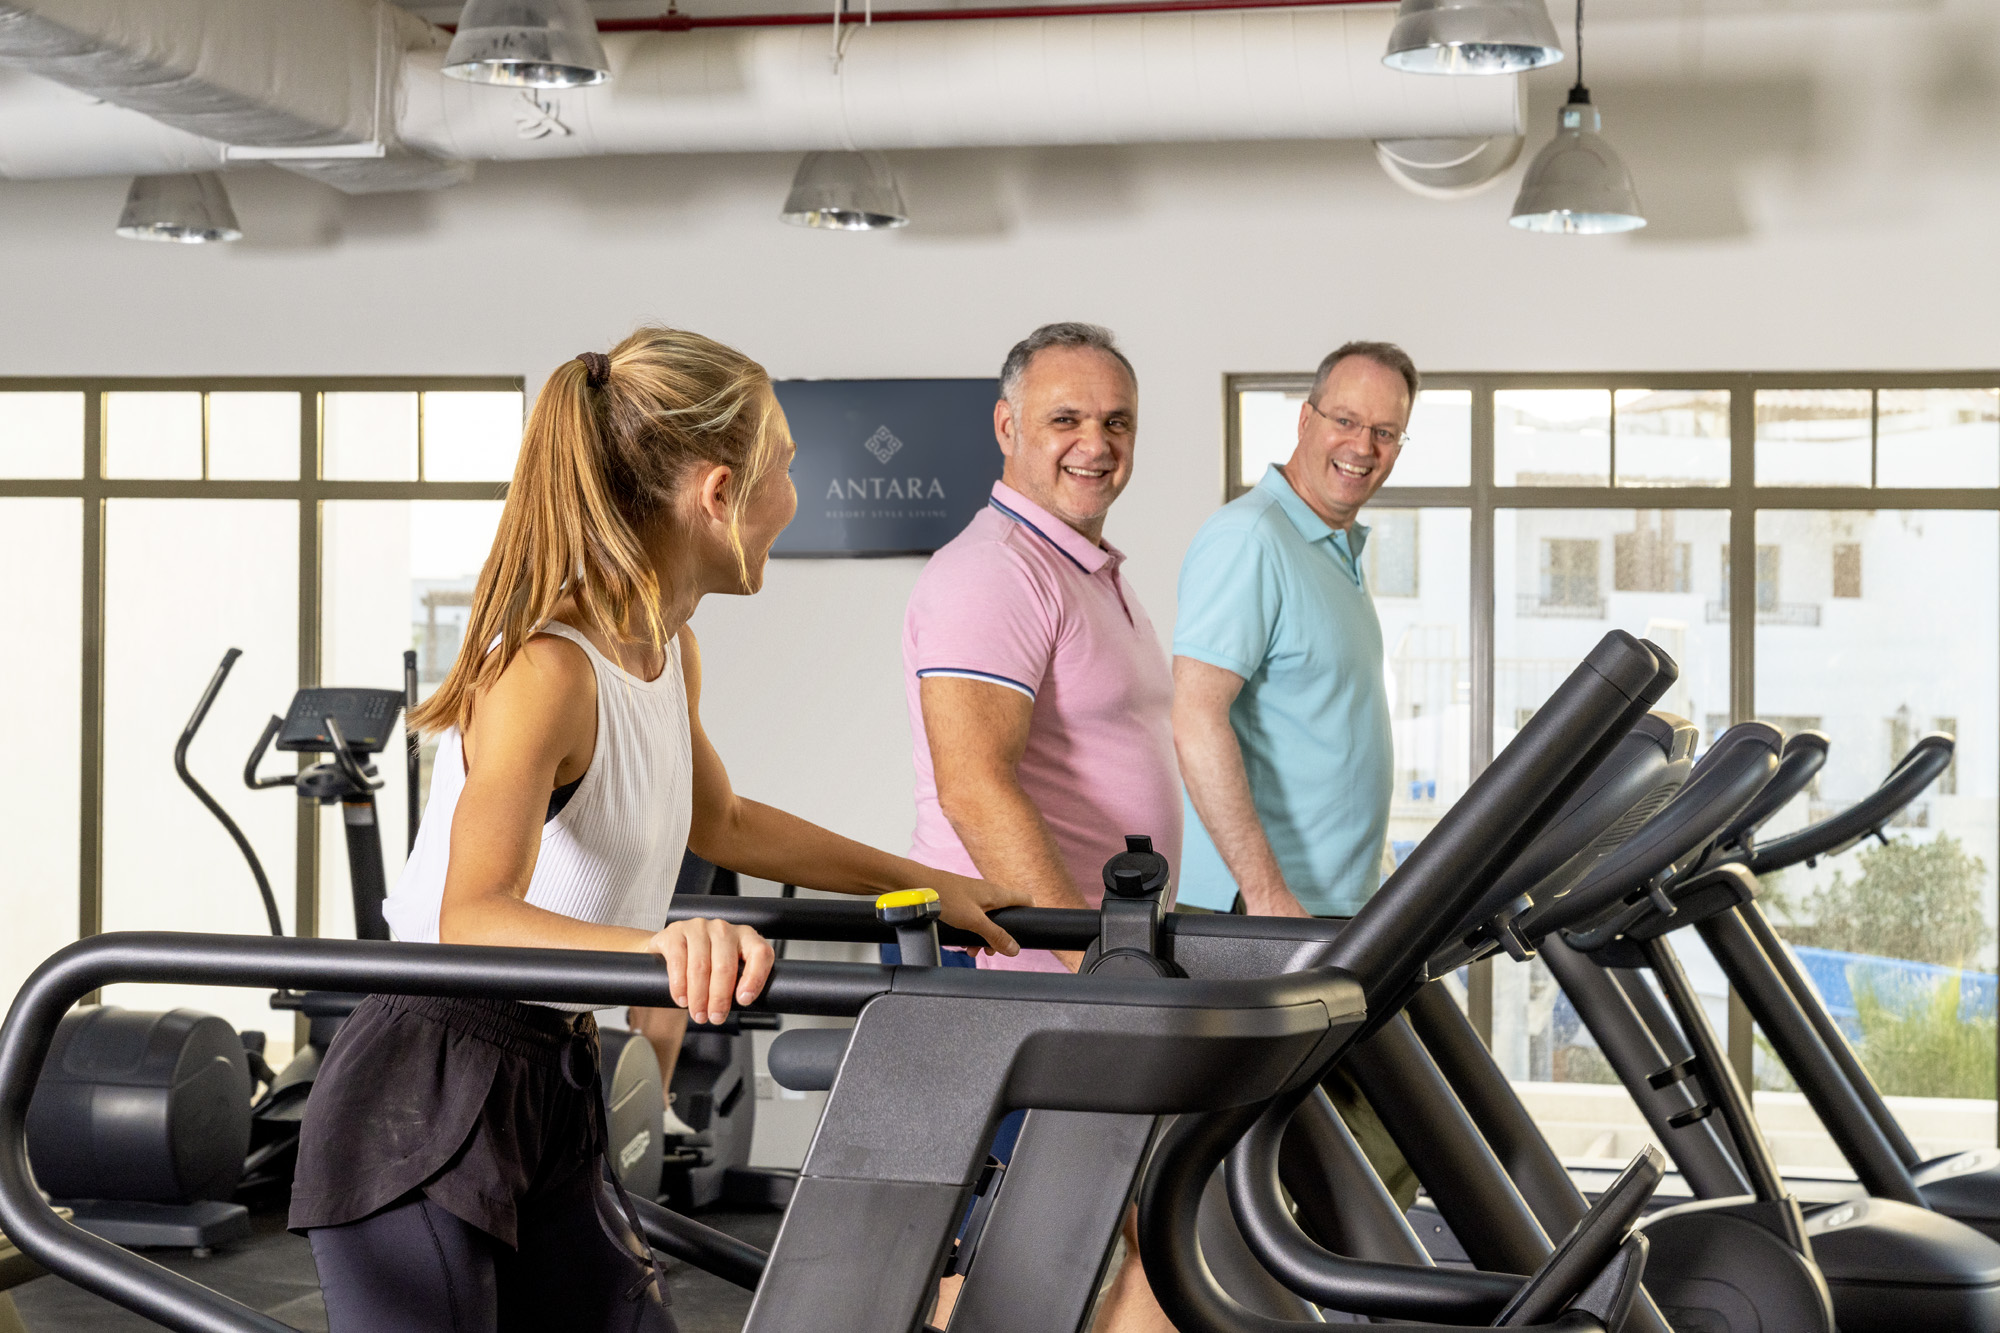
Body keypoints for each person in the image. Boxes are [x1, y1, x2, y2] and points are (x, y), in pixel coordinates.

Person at [288, 328, 1025, 1333]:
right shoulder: (546, 671)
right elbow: (472, 913)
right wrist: (661, 945)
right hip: (428, 1089)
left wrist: (924, 882)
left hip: (551, 1073)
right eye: (786, 472)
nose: (792, 501)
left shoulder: (667, 647)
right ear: (719, 494)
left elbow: (722, 820)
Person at [902, 322, 1179, 1330]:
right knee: (1001, 1272)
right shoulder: (996, 571)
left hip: (1088, 976)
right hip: (1023, 980)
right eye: (1064, 418)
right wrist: (1096, 967)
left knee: (1160, 1236)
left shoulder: (1088, 570)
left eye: (1115, 421)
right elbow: (974, 787)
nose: (1093, 442)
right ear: (1007, 426)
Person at [1171, 339, 1420, 1206]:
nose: (1362, 445)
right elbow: (1196, 713)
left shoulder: (1335, 551)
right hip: (1268, 920)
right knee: (1288, 1174)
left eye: (1386, 431)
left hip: (1341, 914)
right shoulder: (1252, 536)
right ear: (1305, 418)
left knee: (1380, 1151)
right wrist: (1266, 895)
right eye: (1346, 419)